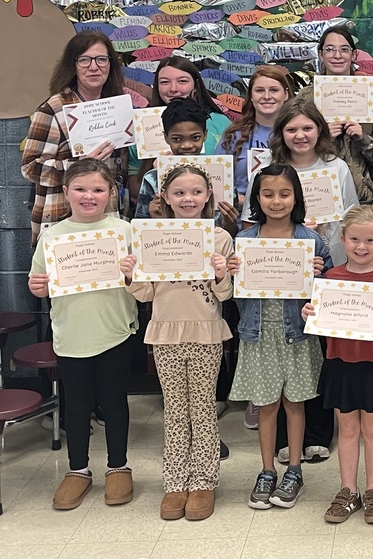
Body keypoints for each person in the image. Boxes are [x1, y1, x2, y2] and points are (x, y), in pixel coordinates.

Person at [122, 164, 233, 520]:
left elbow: (225, 295)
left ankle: (203, 481)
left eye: (196, 192)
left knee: (202, 409)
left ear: (208, 197)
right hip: (165, 331)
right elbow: (144, 295)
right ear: (165, 198)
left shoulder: (219, 238)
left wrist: (220, 273)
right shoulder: (151, 237)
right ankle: (175, 482)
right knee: (174, 410)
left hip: (204, 331)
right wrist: (130, 274)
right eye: (180, 193)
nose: (188, 199)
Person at [28, 159, 138, 510]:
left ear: (111, 194)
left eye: (98, 189)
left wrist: (132, 274)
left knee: (115, 402)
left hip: (116, 331)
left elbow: (144, 284)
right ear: (66, 192)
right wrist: (36, 287)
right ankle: (77, 470)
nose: (88, 196)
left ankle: (118, 466)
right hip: (71, 335)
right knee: (74, 406)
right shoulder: (52, 235)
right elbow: (39, 283)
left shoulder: (125, 231)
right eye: (80, 188)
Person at [227, 163, 333, 510]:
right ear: (256, 198)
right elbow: (230, 293)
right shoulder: (244, 241)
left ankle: (295, 469)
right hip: (258, 334)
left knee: (295, 403)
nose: (276, 201)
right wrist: (229, 272)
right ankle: (267, 469)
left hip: (297, 336)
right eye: (268, 194)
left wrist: (320, 275)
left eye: (284, 194)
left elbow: (329, 293)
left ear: (296, 197)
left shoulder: (309, 239)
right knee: (266, 405)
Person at [302, 206, 373, 525]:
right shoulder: (331, 278)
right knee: (348, 429)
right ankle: (348, 490)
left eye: (369, 240)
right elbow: (317, 319)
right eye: (354, 239)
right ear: (343, 239)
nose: (361, 247)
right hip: (340, 362)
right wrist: (307, 314)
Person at [22, 30, 129, 244]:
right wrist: (77, 165)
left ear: (110, 65)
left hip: (108, 219)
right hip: (62, 219)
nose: (94, 67)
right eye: (84, 60)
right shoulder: (55, 107)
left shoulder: (118, 106)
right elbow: (30, 167)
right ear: (73, 65)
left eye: (101, 59)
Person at [240, 96, 359, 259]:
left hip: (332, 258)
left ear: (319, 129)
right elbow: (249, 222)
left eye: (307, 128)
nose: (300, 136)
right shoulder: (265, 170)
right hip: (275, 261)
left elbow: (352, 219)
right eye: (291, 130)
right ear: (280, 132)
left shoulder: (337, 167)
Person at [298, 25, 373, 203]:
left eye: (344, 50)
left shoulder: (371, 96)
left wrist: (363, 139)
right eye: (330, 50)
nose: (337, 55)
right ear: (321, 54)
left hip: (364, 195)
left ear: (353, 55)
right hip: (315, 193)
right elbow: (293, 147)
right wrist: (322, 137)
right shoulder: (306, 98)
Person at [129, 56, 233, 200]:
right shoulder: (141, 125)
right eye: (165, 82)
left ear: (196, 84)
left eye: (182, 81)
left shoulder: (221, 123)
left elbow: (231, 177)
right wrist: (156, 174)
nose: (173, 89)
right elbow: (133, 188)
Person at [134, 99, 239, 235]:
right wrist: (154, 218)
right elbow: (141, 232)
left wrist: (229, 223)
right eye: (177, 139)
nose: (187, 145)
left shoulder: (225, 174)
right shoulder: (153, 178)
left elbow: (231, 232)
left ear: (205, 135)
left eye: (195, 138)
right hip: (170, 249)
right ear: (166, 138)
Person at [216, 64, 294, 209]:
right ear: (250, 96)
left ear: (286, 94)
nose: (266, 96)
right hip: (240, 222)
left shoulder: (297, 133)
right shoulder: (233, 135)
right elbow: (216, 183)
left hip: (287, 219)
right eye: (259, 90)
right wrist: (235, 200)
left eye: (274, 90)